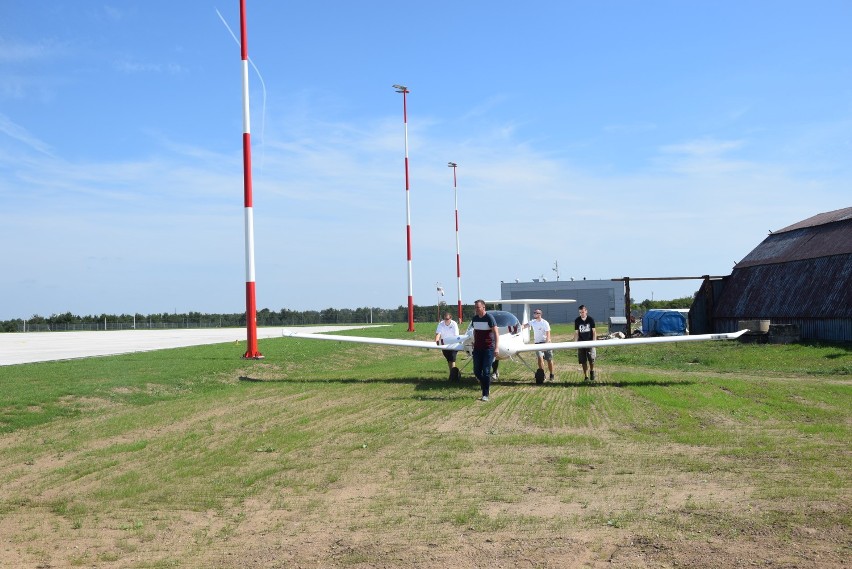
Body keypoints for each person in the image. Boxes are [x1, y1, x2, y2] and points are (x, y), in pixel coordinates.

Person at [471, 299, 499, 402]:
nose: (476, 309)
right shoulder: (474, 319)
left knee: (486, 371)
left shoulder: (489, 318)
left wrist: (496, 347)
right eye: (475, 307)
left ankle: (485, 394)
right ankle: (485, 385)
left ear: (483, 307)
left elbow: (496, 333)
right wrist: (474, 341)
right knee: (477, 371)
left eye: (478, 307)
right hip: (477, 348)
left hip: (488, 348)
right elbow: (475, 331)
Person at [523, 308, 554, 381]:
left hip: (546, 343)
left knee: (549, 360)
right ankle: (542, 375)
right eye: (534, 313)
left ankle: (551, 374)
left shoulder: (545, 322)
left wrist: (546, 345)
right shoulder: (533, 322)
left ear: (540, 314)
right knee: (540, 359)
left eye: (536, 313)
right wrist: (519, 326)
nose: (534, 314)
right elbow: (525, 325)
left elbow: (548, 334)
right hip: (537, 343)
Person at [573, 304, 597, 381]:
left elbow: (594, 331)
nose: (581, 314)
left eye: (583, 312)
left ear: (586, 311)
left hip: (590, 341)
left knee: (591, 359)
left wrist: (594, 342)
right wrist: (575, 342)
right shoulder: (577, 320)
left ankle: (592, 371)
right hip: (581, 342)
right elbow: (576, 332)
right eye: (580, 312)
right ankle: (586, 376)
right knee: (583, 361)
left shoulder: (591, 319)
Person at [435, 312, 460, 380]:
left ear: (450, 318)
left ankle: (453, 377)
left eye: (447, 319)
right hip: (444, 344)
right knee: (449, 360)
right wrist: (437, 341)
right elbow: (438, 334)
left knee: (452, 359)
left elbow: (456, 336)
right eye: (444, 318)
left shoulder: (454, 324)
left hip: (454, 344)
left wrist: (453, 343)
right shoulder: (441, 324)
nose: (446, 320)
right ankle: (452, 374)